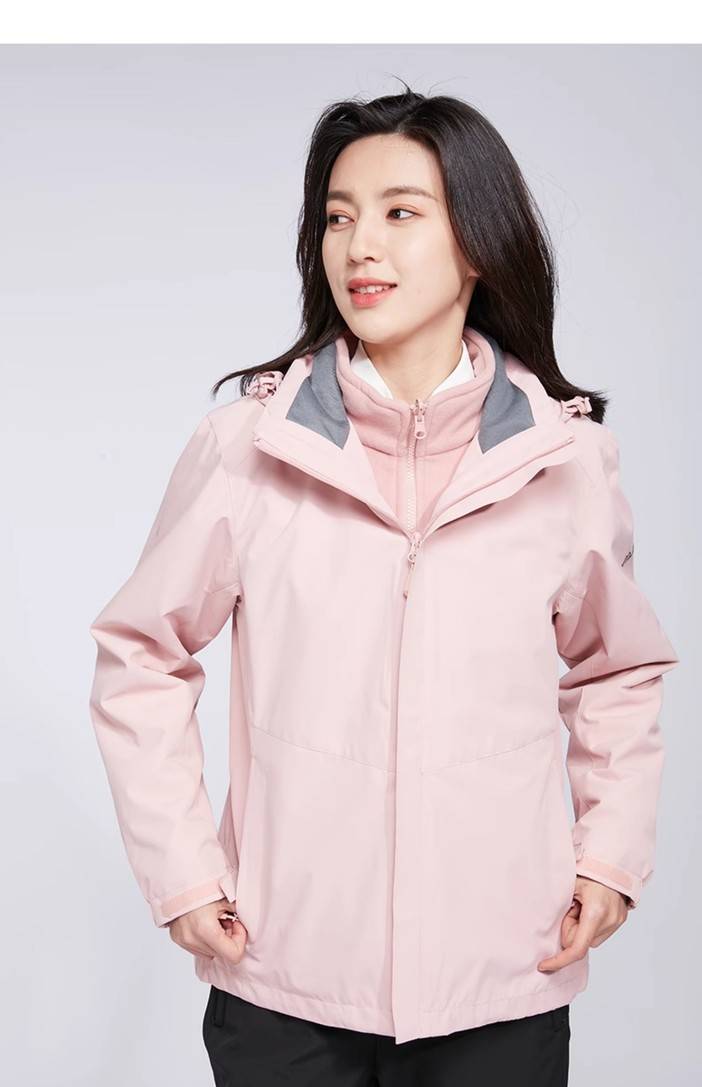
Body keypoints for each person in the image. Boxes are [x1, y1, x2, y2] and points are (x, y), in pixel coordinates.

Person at [88, 84, 679, 1086]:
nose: (360, 245)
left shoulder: (566, 461)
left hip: (503, 979)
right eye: (338, 217)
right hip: (283, 981)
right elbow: (140, 655)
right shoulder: (246, 449)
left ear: (478, 242)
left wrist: (609, 857)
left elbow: (617, 670)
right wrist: (183, 873)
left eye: (402, 212)